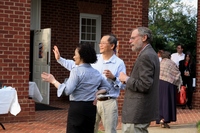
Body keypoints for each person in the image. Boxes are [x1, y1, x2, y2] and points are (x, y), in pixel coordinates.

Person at [53, 34, 126, 133]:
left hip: (108, 102)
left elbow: (123, 85)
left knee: (110, 131)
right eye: (100, 43)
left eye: (103, 43)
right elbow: (76, 65)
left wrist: (114, 78)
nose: (100, 45)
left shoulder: (119, 63)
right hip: (92, 102)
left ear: (112, 46)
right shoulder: (95, 59)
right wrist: (59, 59)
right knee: (91, 129)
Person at [41, 43, 111, 133]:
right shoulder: (96, 72)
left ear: (82, 56)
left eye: (75, 54)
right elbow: (107, 87)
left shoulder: (76, 71)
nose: (73, 57)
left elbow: (67, 91)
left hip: (77, 108)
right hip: (91, 108)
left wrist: (53, 81)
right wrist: (97, 93)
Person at [119, 27, 160, 133]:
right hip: (139, 112)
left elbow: (145, 85)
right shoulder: (150, 53)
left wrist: (126, 78)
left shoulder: (146, 56)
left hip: (136, 113)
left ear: (144, 38)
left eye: (133, 38)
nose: (129, 41)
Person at [156, 51, 182, 128]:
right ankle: (165, 119)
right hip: (168, 84)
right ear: (169, 57)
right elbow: (177, 74)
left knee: (160, 102)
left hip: (159, 83)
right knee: (167, 102)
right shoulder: (172, 63)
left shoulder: (160, 63)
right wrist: (178, 83)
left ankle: (160, 119)